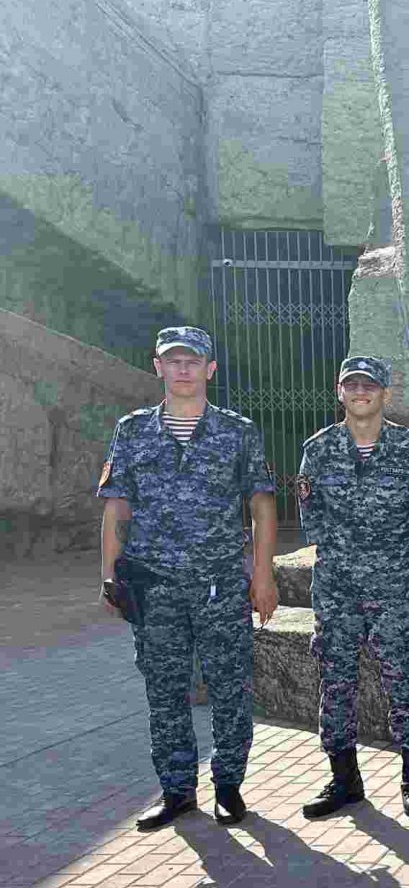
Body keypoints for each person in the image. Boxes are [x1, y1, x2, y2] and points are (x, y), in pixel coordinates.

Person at [97, 326, 279, 831]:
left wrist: (262, 575)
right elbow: (116, 508)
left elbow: (262, 505)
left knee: (230, 688)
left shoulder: (237, 431)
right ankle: (178, 790)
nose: (182, 369)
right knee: (165, 691)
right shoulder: (132, 431)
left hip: (219, 583)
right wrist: (110, 576)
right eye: (172, 360)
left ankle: (228, 787)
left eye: (192, 361)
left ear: (210, 370)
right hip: (153, 585)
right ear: (157, 366)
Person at [294, 356, 409, 820]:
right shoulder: (318, 450)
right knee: (335, 679)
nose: (361, 392)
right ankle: (344, 779)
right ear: (340, 392)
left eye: (370, 386)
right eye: (352, 385)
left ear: (384, 394)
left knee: (405, 676)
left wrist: (391, 562)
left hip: (393, 586)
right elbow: (311, 521)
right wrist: (349, 557)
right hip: (336, 588)